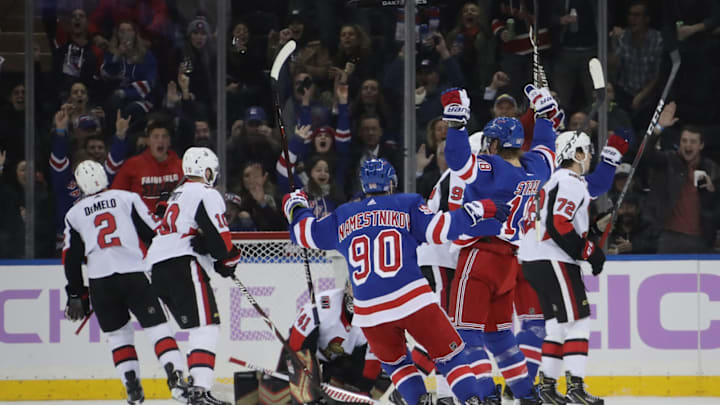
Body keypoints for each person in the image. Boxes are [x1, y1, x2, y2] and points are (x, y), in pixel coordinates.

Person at [282, 158, 510, 405]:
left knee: (399, 366)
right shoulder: (407, 203)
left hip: (369, 313)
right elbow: (440, 230)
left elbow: (304, 234)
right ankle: (472, 401)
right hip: (412, 299)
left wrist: (295, 205)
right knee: (450, 357)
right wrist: (479, 209)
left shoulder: (343, 214)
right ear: (391, 184)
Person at [443, 86, 563, 404]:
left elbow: (458, 162)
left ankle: (484, 394)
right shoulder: (535, 170)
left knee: (464, 334)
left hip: (480, 256)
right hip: (509, 263)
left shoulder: (492, 168)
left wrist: (456, 122)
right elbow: (547, 147)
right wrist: (545, 116)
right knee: (499, 336)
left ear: (494, 143)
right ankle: (526, 393)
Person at [517, 129, 628, 405]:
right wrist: (590, 252)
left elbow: (558, 221)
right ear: (576, 153)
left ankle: (547, 387)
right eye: (587, 151)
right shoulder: (571, 182)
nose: (589, 157)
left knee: (557, 327)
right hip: (553, 259)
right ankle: (576, 387)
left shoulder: (553, 180)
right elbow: (558, 225)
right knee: (580, 320)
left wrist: (591, 230)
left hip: (534, 260)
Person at [62, 160, 187, 404]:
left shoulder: (74, 215)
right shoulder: (126, 198)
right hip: (134, 275)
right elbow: (154, 233)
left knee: (118, 337)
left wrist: (75, 294)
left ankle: (132, 385)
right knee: (157, 328)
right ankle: (176, 377)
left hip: (101, 284)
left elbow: (71, 259)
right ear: (103, 176)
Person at [145, 147, 240, 405]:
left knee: (191, 326)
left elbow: (190, 232)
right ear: (208, 171)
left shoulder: (177, 194)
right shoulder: (206, 193)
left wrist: (208, 247)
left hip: (156, 266)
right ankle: (200, 391)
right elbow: (221, 243)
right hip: (182, 264)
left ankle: (184, 386)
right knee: (206, 327)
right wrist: (230, 259)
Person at [284, 283, 386, 403]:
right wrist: (307, 388)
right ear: (347, 287)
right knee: (280, 392)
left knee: (383, 378)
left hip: (343, 361)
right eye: (355, 288)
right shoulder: (323, 306)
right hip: (309, 356)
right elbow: (297, 345)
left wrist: (360, 393)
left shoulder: (380, 319)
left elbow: (371, 364)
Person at [111, 120, 183, 211]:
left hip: (174, 221)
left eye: (164, 137)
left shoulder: (181, 166)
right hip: (143, 222)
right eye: (156, 137)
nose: (160, 141)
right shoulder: (132, 165)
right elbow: (116, 195)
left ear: (169, 141)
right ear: (148, 141)